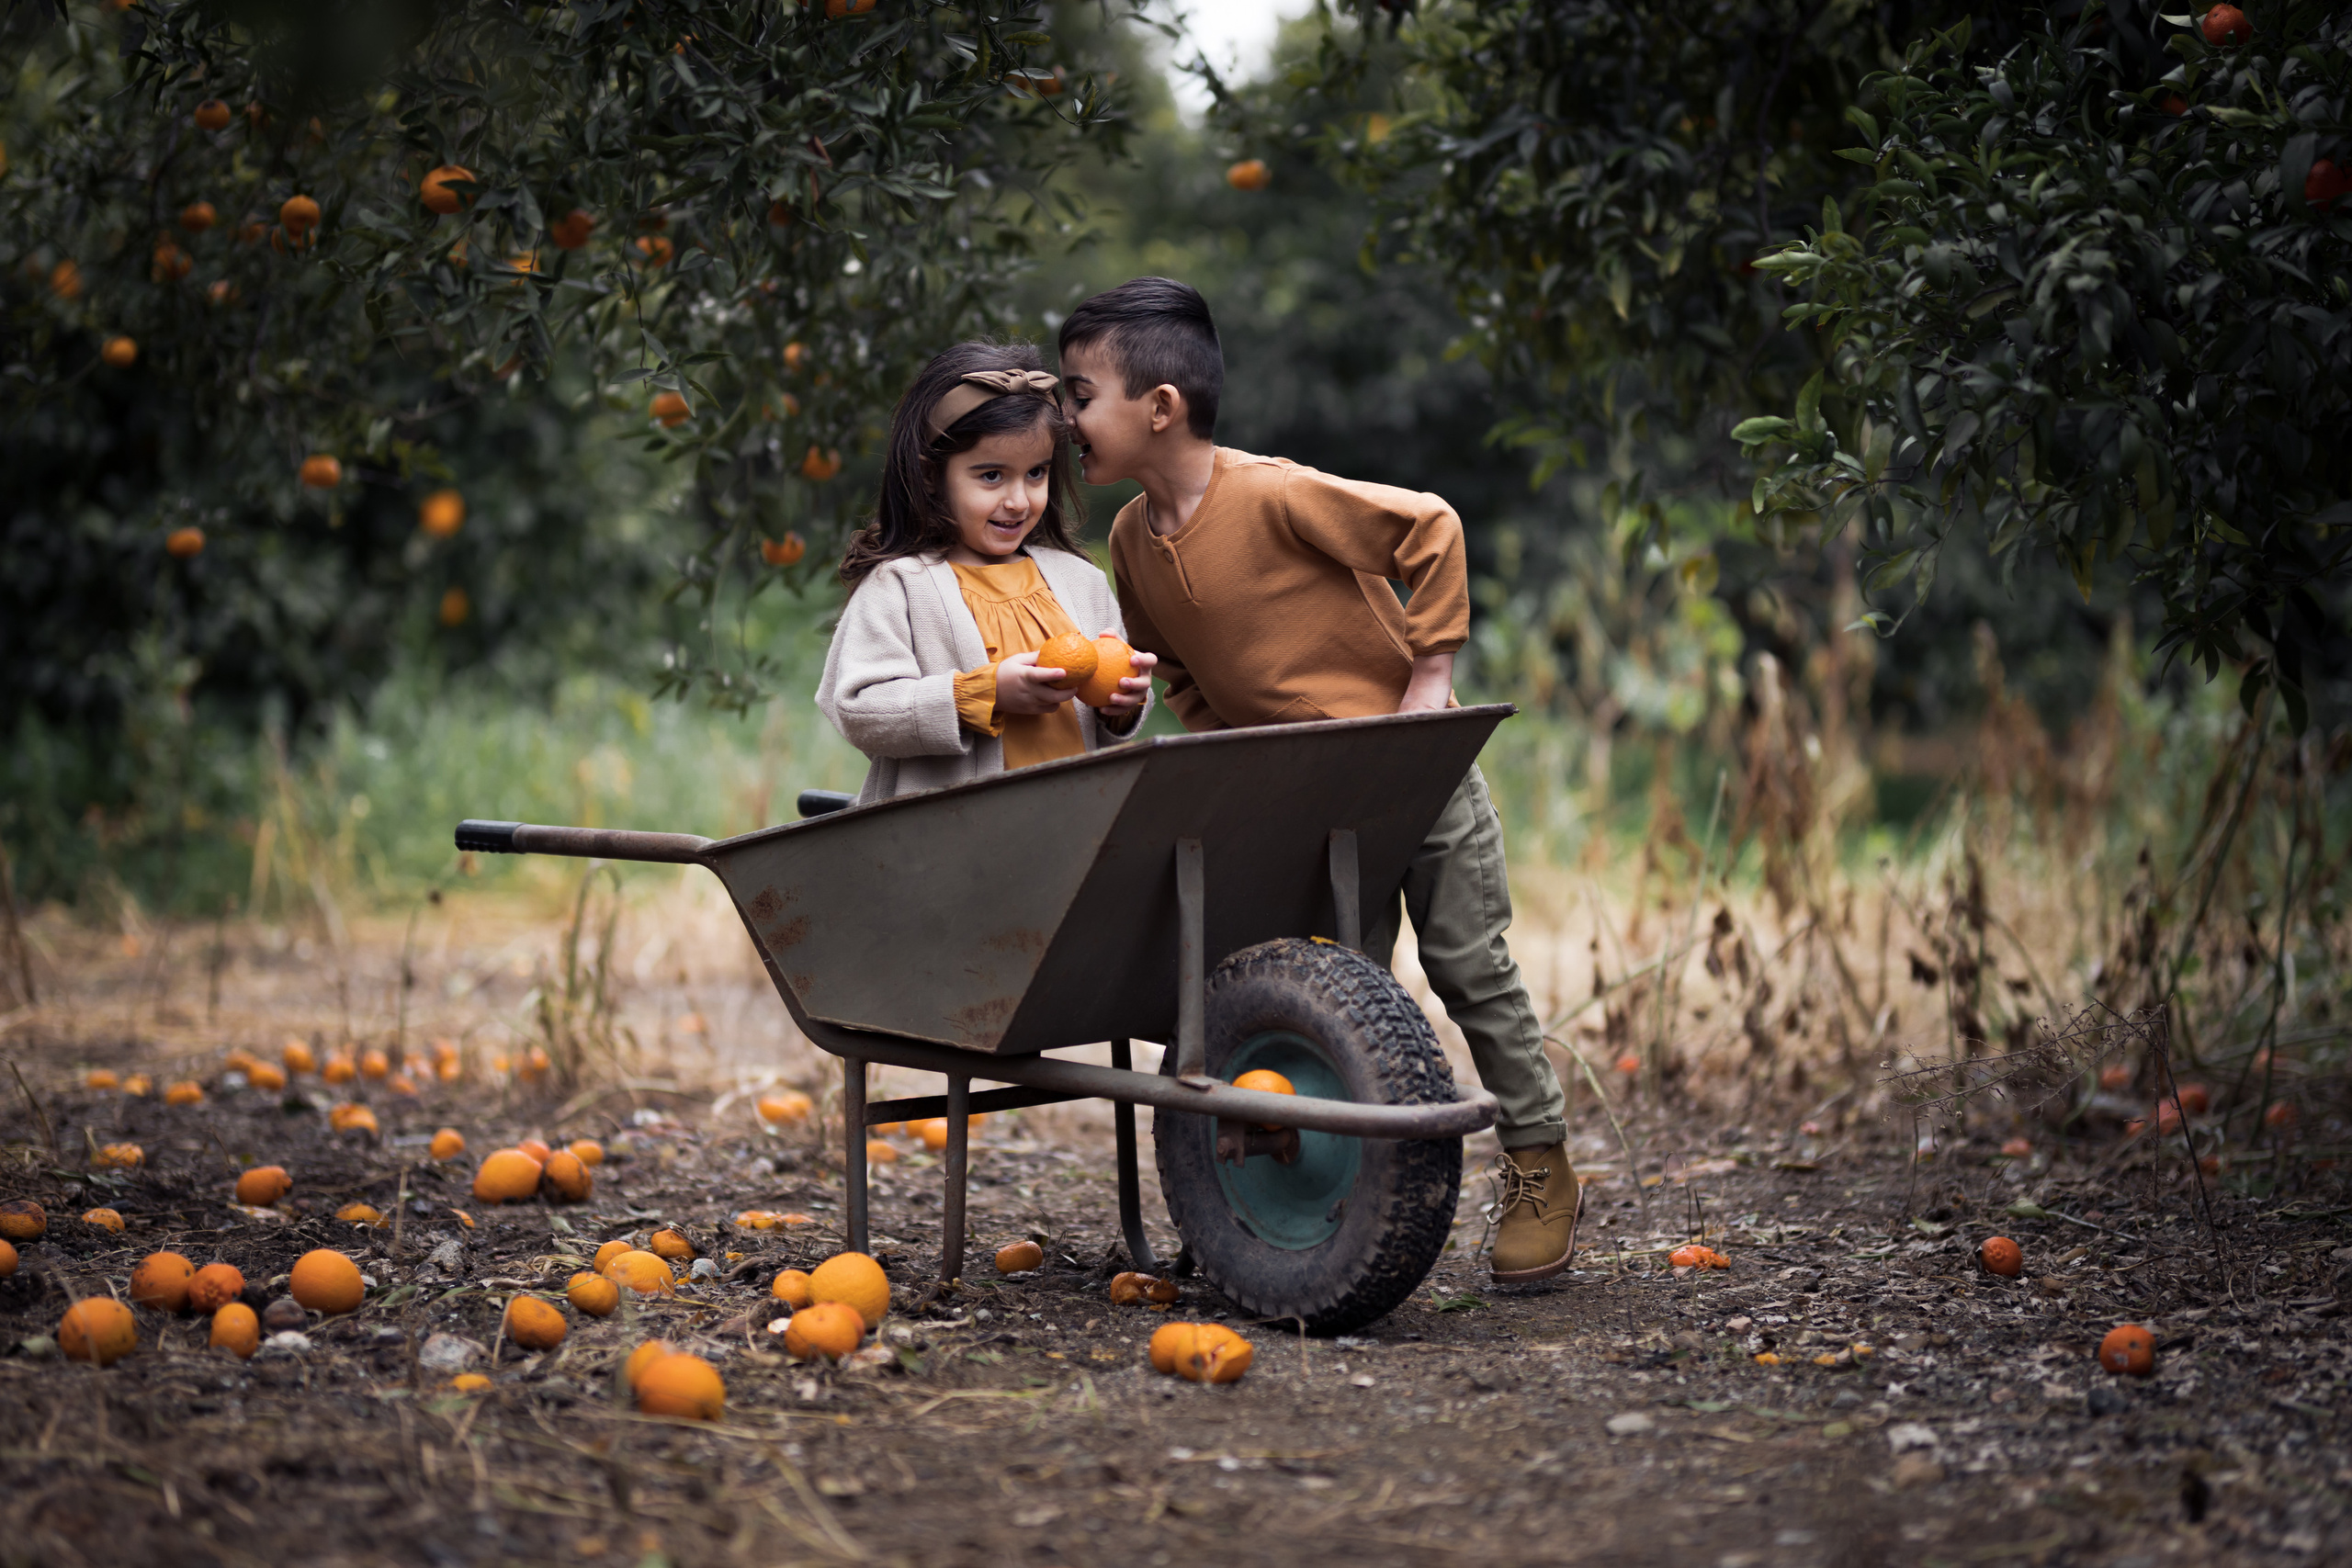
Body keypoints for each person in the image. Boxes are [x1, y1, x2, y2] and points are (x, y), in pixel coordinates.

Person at [1057, 278, 1579, 1282]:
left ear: (1158, 408)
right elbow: (1184, 679)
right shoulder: (1129, 542)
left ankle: (1537, 1160)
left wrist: (1430, 674)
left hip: (1410, 767)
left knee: (1470, 965)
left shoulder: (1273, 494)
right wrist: (1226, 754)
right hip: (1305, 798)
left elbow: (1430, 528)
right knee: (1337, 991)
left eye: (1080, 395)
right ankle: (1317, 1202)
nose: (1065, 419)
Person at [817, 341, 1154, 803]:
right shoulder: (901, 587)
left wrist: (1124, 701)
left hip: (1073, 832)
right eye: (992, 476)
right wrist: (982, 694)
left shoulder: (1082, 582)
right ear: (932, 475)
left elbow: (1106, 723)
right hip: (952, 848)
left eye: (1035, 473)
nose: (1018, 500)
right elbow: (859, 710)